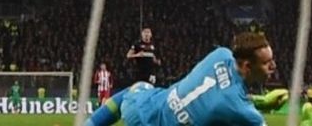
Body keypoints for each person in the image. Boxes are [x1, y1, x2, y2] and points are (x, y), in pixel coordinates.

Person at [86, 32, 288, 126]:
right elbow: (229, 102)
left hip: (140, 108)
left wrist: (260, 103)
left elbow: (219, 94)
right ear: (247, 66)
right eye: (267, 62)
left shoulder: (220, 55)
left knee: (135, 89)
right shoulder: (243, 112)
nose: (273, 66)